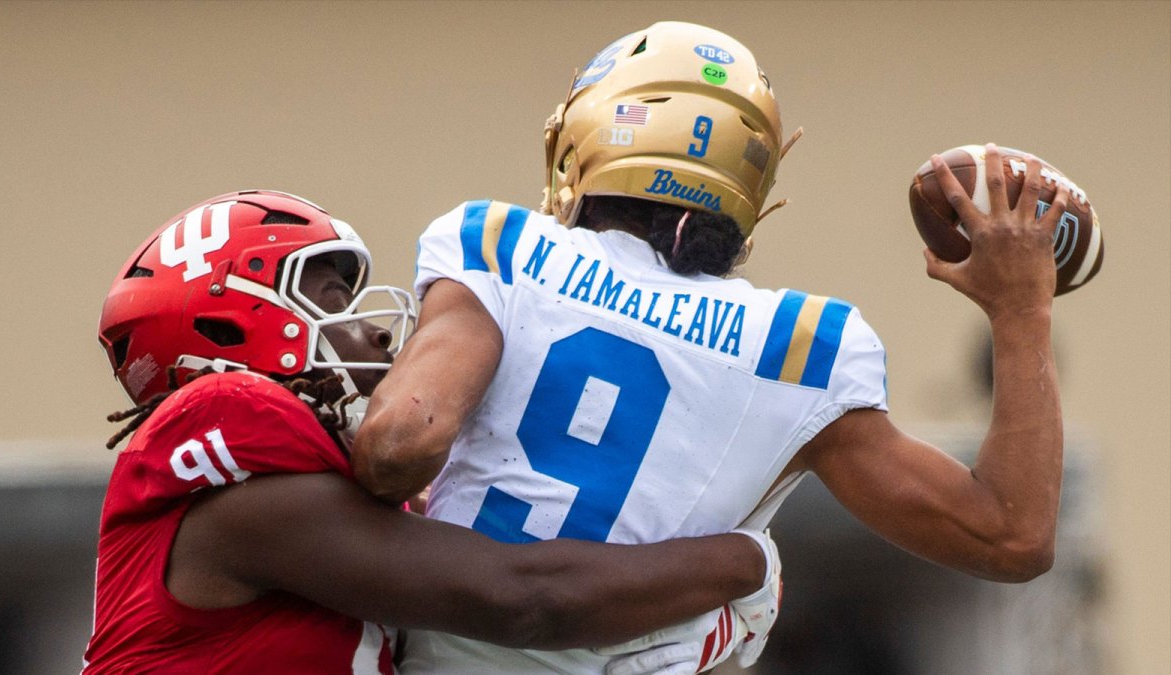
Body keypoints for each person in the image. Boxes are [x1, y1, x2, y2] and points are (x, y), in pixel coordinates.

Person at [351, 21, 1070, 673]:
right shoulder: (802, 347)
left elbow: (398, 444)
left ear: (592, 135)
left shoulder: (499, 244)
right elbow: (1011, 537)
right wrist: (1020, 309)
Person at [82, 189, 783, 674]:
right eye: (335, 299)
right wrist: (742, 562)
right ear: (233, 319)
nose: (375, 328)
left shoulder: (304, 515)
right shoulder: (240, 487)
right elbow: (523, 599)